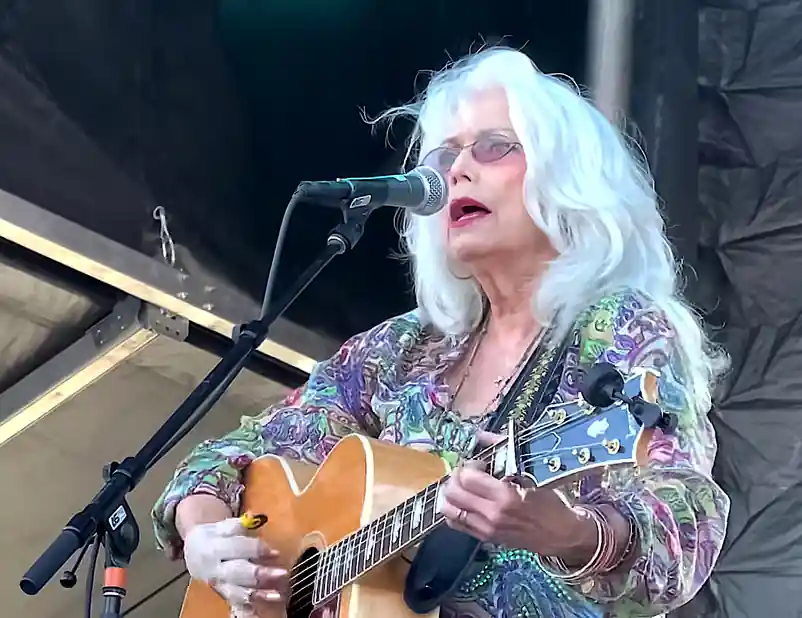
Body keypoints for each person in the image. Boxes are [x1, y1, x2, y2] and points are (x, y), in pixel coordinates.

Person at [151, 47, 730, 618]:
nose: (457, 170)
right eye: (447, 154)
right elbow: (233, 454)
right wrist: (203, 533)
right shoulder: (404, 349)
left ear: (567, 176)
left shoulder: (620, 328)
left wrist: (575, 532)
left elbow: (684, 529)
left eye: (494, 146)